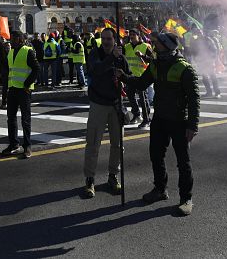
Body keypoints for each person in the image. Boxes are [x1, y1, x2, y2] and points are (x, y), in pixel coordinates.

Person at [118, 31, 200, 216]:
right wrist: (123, 76)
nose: (154, 45)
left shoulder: (184, 68)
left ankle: (186, 198)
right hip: (160, 119)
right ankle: (160, 189)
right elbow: (141, 83)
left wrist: (193, 126)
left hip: (179, 120)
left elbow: (194, 99)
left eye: (159, 43)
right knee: (156, 155)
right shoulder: (155, 65)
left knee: (183, 161)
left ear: (168, 46)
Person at [81, 28, 129, 198]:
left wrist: (122, 75)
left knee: (117, 144)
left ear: (115, 40)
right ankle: (89, 179)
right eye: (104, 39)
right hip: (98, 104)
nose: (107, 41)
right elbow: (95, 70)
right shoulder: (95, 53)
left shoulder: (120, 57)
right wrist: (111, 58)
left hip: (116, 104)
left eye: (109, 38)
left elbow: (127, 76)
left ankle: (113, 175)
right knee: (93, 143)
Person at [1, 31, 40, 158]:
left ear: (20, 39)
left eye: (13, 38)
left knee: (25, 119)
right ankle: (13, 144)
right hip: (12, 89)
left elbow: (36, 68)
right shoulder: (11, 52)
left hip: (24, 90)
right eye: (11, 38)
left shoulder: (28, 50)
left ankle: (27, 146)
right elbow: (9, 69)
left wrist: (27, 85)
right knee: (11, 118)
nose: (11, 40)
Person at [124, 29, 151, 126]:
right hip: (130, 76)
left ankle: (146, 119)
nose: (131, 36)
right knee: (131, 97)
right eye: (130, 35)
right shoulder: (126, 47)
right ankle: (136, 115)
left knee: (143, 99)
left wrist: (142, 56)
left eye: (133, 34)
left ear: (138, 35)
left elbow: (152, 60)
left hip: (142, 76)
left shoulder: (145, 46)